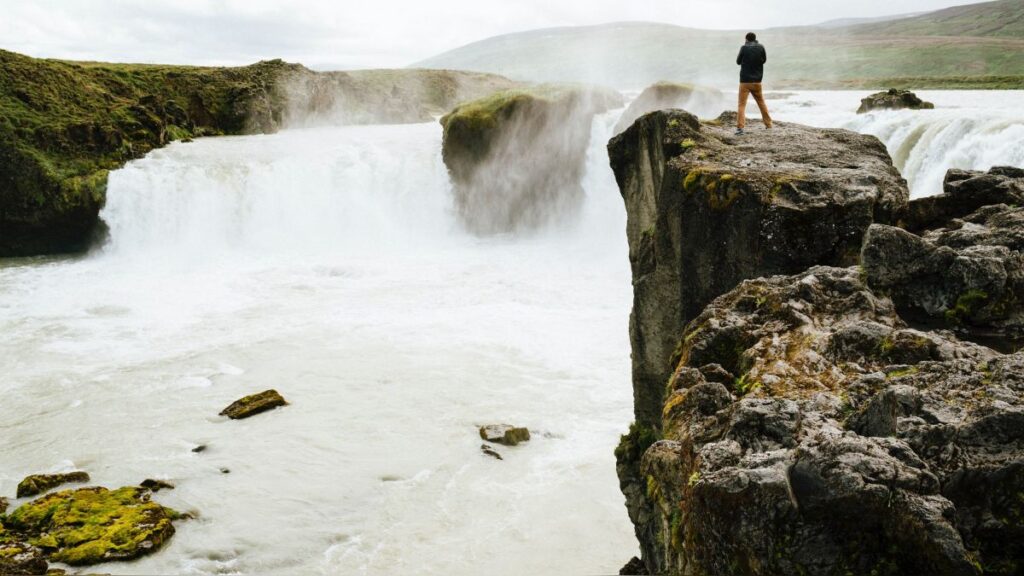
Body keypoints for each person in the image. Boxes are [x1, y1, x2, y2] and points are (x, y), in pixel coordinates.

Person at [735, 32, 772, 135]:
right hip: (757, 81)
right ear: (755, 39)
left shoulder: (744, 48)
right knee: (761, 102)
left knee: (741, 105)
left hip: (745, 81)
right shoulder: (761, 47)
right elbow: (764, 60)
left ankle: (740, 128)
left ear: (746, 39)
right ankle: (768, 124)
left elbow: (738, 62)